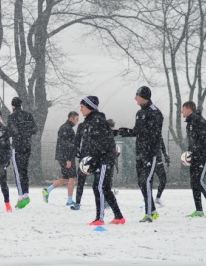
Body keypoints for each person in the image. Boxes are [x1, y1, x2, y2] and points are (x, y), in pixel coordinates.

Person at [118, 86, 163, 223]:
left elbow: (153, 134)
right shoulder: (139, 113)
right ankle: (154, 211)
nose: (134, 98)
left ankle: (148, 214)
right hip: (141, 153)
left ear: (143, 96)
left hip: (151, 153)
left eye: (136, 95)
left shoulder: (155, 113)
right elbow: (137, 131)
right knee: (141, 182)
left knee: (146, 181)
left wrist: (148, 147)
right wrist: (125, 132)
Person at [77, 96, 125, 225]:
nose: (80, 110)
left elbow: (103, 143)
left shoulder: (97, 121)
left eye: (82, 107)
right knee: (105, 188)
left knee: (99, 186)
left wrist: (95, 160)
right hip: (100, 159)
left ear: (90, 107)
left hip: (104, 159)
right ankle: (119, 217)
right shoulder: (90, 121)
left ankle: (100, 218)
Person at [182, 101, 206, 217]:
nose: (182, 112)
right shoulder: (189, 123)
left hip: (204, 157)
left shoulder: (199, 121)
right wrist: (189, 153)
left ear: (188, 109)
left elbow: (203, 141)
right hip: (195, 157)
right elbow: (192, 142)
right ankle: (199, 210)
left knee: (199, 181)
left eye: (183, 109)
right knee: (194, 182)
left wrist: (196, 152)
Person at [43, 111, 79, 206]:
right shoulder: (67, 129)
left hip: (63, 156)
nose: (77, 121)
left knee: (66, 178)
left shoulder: (65, 128)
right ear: (71, 118)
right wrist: (68, 159)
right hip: (66, 157)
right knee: (72, 178)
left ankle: (47, 190)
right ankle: (70, 200)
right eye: (76, 119)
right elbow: (66, 145)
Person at [8, 97, 38, 209]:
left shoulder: (12, 117)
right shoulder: (28, 115)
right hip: (27, 146)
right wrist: (26, 133)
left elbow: (11, 132)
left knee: (17, 171)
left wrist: (18, 133)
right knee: (24, 170)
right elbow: (35, 129)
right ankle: (26, 193)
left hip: (17, 146)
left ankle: (21, 197)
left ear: (13, 106)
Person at [70, 117, 87, 211]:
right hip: (84, 156)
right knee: (81, 181)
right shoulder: (82, 126)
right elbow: (77, 139)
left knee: (99, 182)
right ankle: (77, 202)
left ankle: (105, 201)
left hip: (96, 156)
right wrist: (76, 149)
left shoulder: (98, 124)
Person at [155, 136, 169, 206]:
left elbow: (163, 146)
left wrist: (166, 156)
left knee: (163, 180)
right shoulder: (147, 133)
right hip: (149, 162)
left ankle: (158, 197)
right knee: (148, 181)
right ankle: (147, 198)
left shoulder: (158, 134)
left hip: (158, 162)